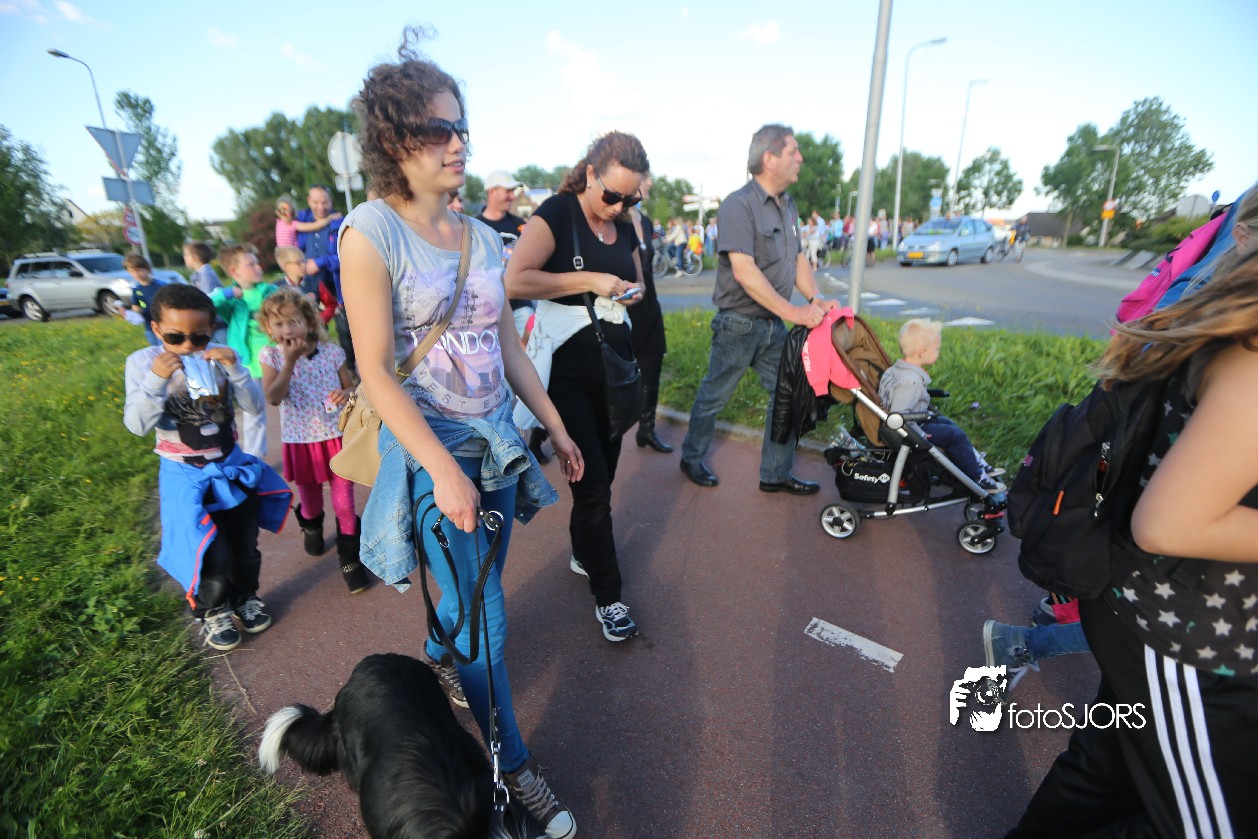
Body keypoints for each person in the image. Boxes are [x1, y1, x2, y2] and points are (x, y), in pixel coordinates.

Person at [337, 36, 582, 839]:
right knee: (489, 621)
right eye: (439, 130)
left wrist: (553, 424)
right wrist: (441, 467)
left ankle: (443, 653)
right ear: (393, 141)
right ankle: (514, 765)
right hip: (433, 445)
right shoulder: (371, 231)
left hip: (498, 441)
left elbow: (507, 344)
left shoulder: (482, 235)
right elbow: (376, 370)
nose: (458, 143)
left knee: (479, 592)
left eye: (461, 127)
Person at [1008, 250, 1258, 837]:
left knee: (1110, 769)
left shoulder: (1223, 325)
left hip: (1155, 605)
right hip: (1187, 628)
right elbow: (1168, 523)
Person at [505, 130, 648, 644]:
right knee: (592, 488)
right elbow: (514, 280)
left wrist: (630, 292)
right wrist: (587, 281)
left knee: (602, 479)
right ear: (590, 173)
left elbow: (638, 280)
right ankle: (610, 598)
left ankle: (584, 551)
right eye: (612, 194)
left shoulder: (624, 223)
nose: (620, 206)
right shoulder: (557, 214)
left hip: (615, 368)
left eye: (631, 198)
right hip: (566, 372)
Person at [123, 284, 291, 651]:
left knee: (244, 543)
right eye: (175, 337)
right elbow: (136, 425)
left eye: (198, 337)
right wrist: (156, 379)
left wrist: (236, 370)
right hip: (184, 472)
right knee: (207, 549)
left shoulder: (219, 357)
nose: (187, 346)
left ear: (211, 329)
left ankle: (245, 596)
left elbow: (254, 408)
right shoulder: (142, 362)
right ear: (156, 329)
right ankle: (212, 610)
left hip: (230, 465)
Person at [679, 123, 834, 493]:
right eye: (793, 151)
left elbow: (797, 258)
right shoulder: (739, 205)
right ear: (769, 158)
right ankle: (692, 457)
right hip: (738, 324)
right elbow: (744, 272)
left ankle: (775, 474)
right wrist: (794, 313)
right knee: (714, 395)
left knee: (788, 393)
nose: (801, 158)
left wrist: (815, 299)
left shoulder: (788, 205)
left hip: (771, 324)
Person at [257, 288, 366, 593]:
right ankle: (311, 524)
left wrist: (346, 393)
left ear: (308, 322)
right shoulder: (271, 356)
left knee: (344, 503)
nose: (287, 330)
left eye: (293, 322)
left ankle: (350, 559)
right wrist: (289, 362)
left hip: (336, 436)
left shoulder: (332, 353)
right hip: (301, 440)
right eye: (278, 324)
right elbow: (273, 397)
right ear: (268, 329)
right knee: (311, 501)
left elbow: (351, 388)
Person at [878, 318, 1003, 495]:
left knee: (947, 423)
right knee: (955, 436)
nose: (938, 351)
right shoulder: (910, 381)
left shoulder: (893, 371)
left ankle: (975, 462)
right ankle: (976, 477)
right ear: (923, 353)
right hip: (910, 430)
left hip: (916, 420)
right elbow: (899, 416)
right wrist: (920, 435)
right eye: (936, 349)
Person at [211, 244, 277, 459]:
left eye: (257, 263)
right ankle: (255, 457)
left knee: (292, 404)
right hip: (249, 363)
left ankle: (304, 448)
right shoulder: (232, 299)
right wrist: (227, 293)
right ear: (234, 271)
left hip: (277, 359)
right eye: (251, 264)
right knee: (253, 412)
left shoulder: (270, 291)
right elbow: (206, 303)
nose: (258, 267)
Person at [627, 175, 672, 454]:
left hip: (650, 305)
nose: (651, 183)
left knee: (653, 366)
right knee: (612, 375)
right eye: (646, 177)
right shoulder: (614, 220)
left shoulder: (644, 221)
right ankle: (541, 433)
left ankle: (646, 429)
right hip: (623, 310)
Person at [297, 185, 355, 374]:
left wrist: (320, 262)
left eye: (325, 202)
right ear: (309, 201)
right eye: (316, 202)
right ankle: (316, 373)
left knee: (345, 332)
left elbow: (347, 256)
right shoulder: (302, 224)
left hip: (337, 288)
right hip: (312, 287)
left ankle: (351, 371)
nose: (321, 207)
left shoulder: (340, 224)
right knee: (312, 330)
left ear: (330, 201)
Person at [275, 245, 337, 326]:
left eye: (304, 261)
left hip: (316, 331)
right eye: (298, 263)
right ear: (285, 266)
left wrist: (322, 318)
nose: (303, 265)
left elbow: (331, 304)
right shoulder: (276, 289)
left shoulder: (314, 282)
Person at [123, 253, 170, 346]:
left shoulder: (162, 286)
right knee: (155, 350)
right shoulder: (136, 290)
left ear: (147, 269)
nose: (136, 274)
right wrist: (129, 314)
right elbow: (136, 307)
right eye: (132, 271)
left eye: (139, 270)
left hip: (165, 326)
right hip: (149, 327)